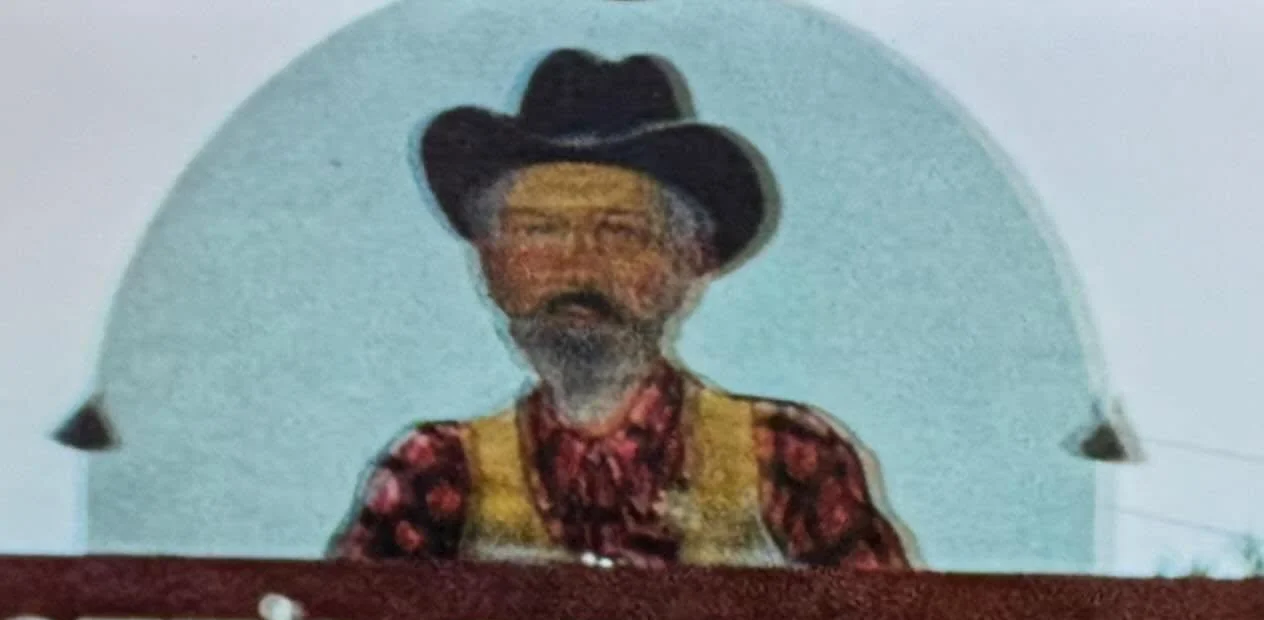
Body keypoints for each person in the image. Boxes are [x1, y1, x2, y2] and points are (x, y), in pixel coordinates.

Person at [331, 47, 911, 571]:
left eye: (622, 232)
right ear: (489, 264)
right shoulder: (429, 472)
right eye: (539, 231)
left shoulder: (789, 457)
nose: (579, 264)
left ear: (690, 262)